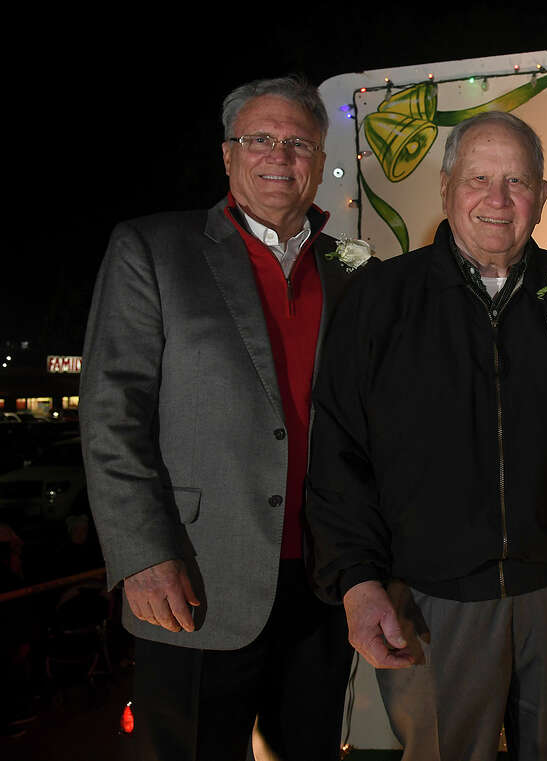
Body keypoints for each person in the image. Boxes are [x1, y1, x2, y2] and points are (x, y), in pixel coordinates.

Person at [305, 110, 547, 761]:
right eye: (478, 178)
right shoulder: (381, 301)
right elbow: (338, 457)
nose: (497, 200)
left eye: (517, 181)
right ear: (446, 187)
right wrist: (356, 580)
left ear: (541, 197)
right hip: (429, 597)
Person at [79, 75, 358, 761]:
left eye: (298, 143)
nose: (279, 155)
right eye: (259, 138)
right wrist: (143, 555)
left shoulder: (351, 270)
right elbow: (113, 415)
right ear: (228, 154)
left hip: (322, 584)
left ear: (320, 162)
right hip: (195, 580)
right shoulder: (153, 249)